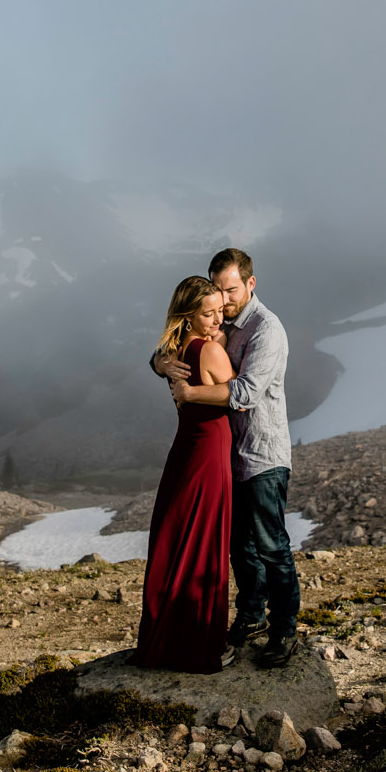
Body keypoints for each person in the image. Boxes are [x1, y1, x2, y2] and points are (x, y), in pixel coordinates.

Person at [157, 248, 299, 668]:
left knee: (272, 547)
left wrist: (189, 393)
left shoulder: (265, 329)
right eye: (217, 291)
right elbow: (173, 348)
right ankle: (252, 617)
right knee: (239, 547)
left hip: (262, 454)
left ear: (251, 284)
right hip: (227, 458)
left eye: (231, 289)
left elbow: (246, 393)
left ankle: (284, 629)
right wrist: (163, 365)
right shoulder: (218, 322)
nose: (223, 299)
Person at [131, 276, 235, 673]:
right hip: (209, 454)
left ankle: (169, 641)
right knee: (203, 544)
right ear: (188, 315)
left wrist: (160, 363)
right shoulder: (209, 351)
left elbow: (166, 360)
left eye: (219, 313)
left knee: (178, 542)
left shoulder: (174, 350)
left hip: (185, 451)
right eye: (207, 314)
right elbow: (238, 397)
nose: (215, 321)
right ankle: (200, 643)